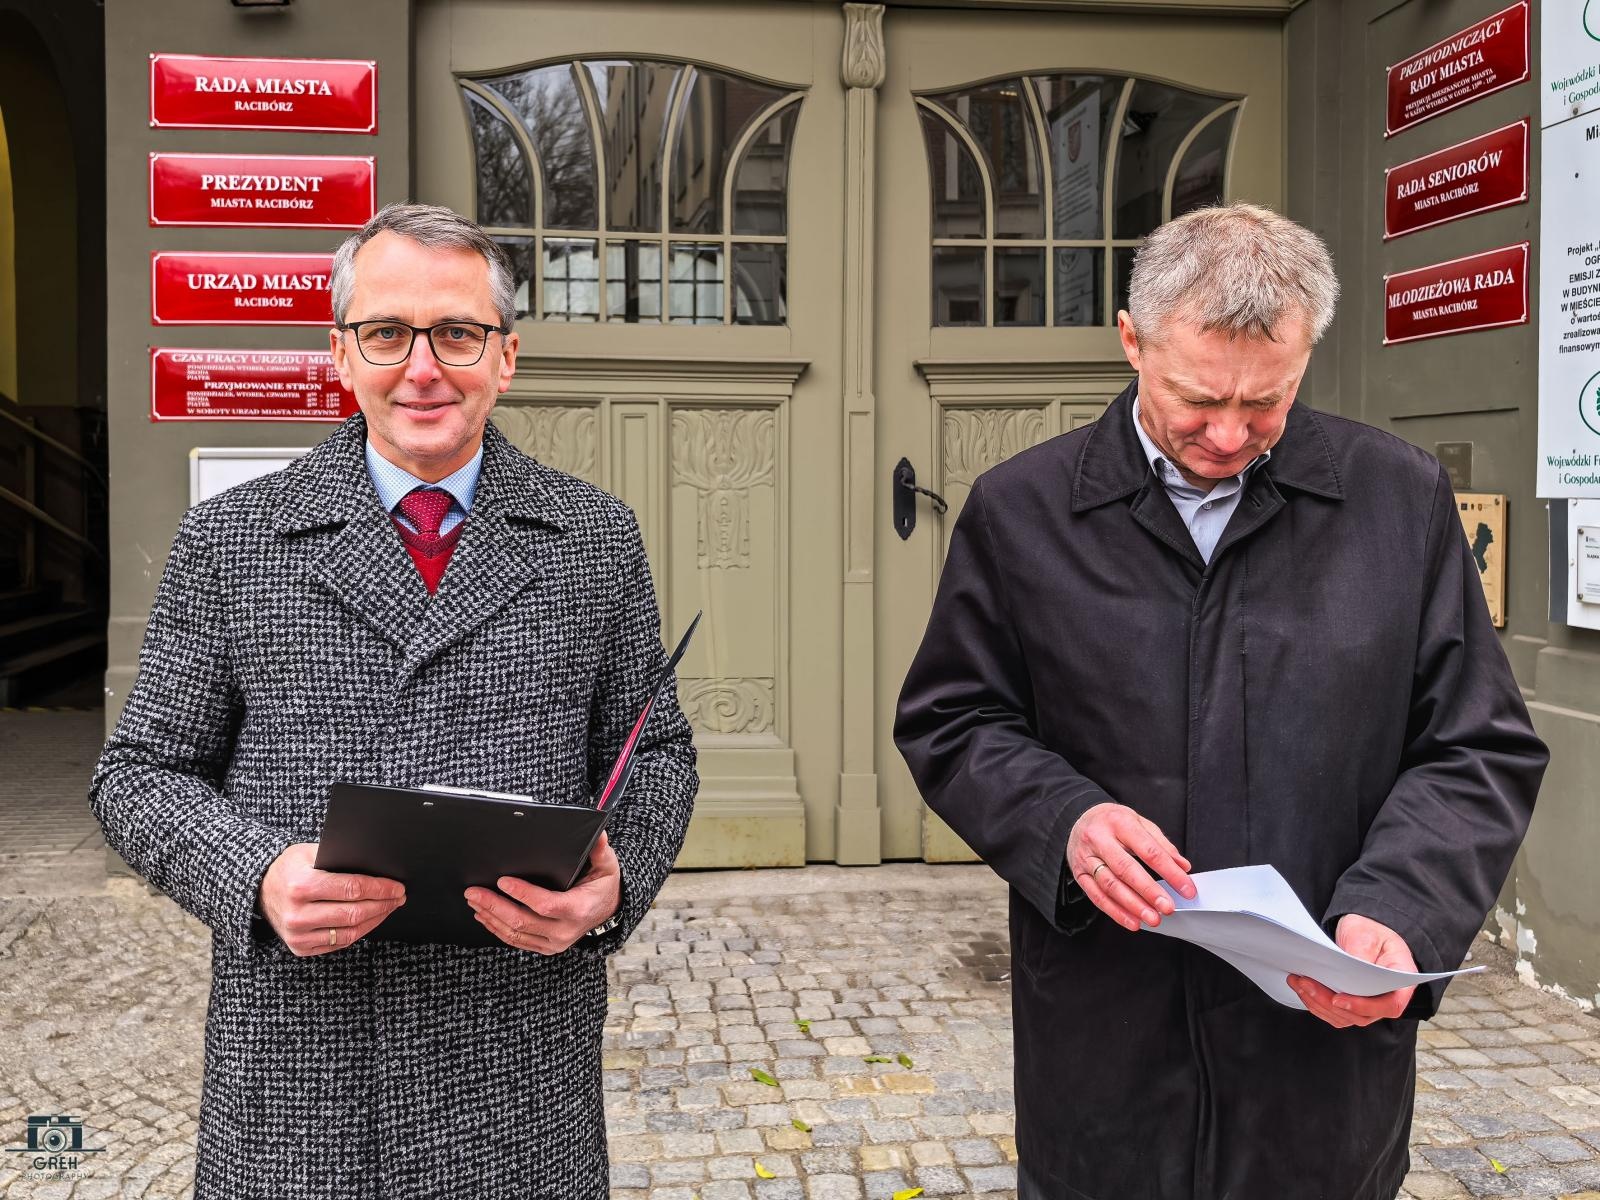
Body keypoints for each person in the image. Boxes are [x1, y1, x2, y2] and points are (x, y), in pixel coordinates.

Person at [894, 203, 1546, 1200]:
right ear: (1130, 340)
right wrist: (1060, 820)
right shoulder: (1020, 510)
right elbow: (953, 718)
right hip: (1107, 1037)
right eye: (1198, 399)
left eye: (1268, 402)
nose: (1230, 434)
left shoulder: (1397, 499)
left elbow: (1477, 746)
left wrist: (1401, 910)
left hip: (1317, 1046)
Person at [89, 203, 698, 1199]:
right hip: (302, 1061)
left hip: (518, 1056)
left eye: (457, 332)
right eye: (387, 332)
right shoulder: (231, 542)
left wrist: (614, 884)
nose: (424, 367)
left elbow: (657, 750)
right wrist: (257, 874)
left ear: (506, 357)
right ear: (341, 353)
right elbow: (141, 773)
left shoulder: (593, 538)